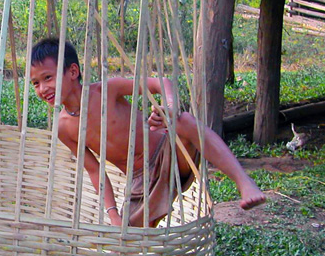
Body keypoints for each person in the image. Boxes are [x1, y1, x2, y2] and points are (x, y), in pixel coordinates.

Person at [29, 37, 265, 227]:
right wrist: (112, 214)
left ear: (72, 72)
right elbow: (94, 170)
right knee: (128, 235)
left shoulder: (107, 91)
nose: (42, 89)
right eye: (36, 83)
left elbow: (161, 83)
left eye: (47, 78)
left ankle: (244, 182)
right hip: (141, 180)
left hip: (170, 152)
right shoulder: (63, 127)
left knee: (183, 121)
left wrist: (169, 109)